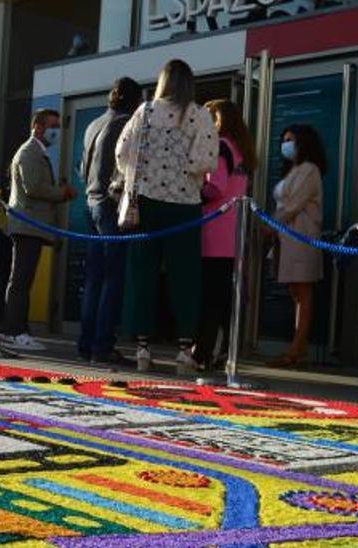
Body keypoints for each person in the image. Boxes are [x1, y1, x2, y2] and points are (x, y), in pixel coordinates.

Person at [115, 59, 218, 374]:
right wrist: (181, 172)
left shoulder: (144, 112)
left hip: (144, 203)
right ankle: (185, 348)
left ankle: (143, 347)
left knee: (142, 273)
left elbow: (122, 152)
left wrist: (143, 175)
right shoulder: (199, 115)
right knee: (185, 275)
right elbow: (206, 159)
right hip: (183, 204)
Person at [0, 109, 76, 351]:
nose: (56, 131)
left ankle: (19, 329)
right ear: (38, 126)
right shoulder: (29, 152)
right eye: (52, 125)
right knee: (21, 279)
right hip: (26, 224)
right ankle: (14, 331)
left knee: (24, 278)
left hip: (31, 224)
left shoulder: (36, 152)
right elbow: (33, 187)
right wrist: (61, 193)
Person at [78, 77, 139, 364]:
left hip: (89, 201)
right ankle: (103, 344)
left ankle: (86, 342)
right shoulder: (127, 123)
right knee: (112, 278)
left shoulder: (93, 124)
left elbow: (82, 169)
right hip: (110, 205)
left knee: (93, 278)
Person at [194, 99, 253, 370]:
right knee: (227, 300)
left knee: (209, 299)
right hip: (233, 235)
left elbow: (215, 188)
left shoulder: (220, 147)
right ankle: (228, 353)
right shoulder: (242, 151)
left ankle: (202, 353)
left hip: (213, 234)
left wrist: (191, 195)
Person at [268, 124, 326, 368]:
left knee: (303, 291)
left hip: (301, 237)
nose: (286, 144)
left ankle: (297, 347)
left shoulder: (309, 170)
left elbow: (294, 205)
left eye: (290, 139)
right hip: (286, 238)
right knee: (295, 291)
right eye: (284, 139)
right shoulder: (293, 170)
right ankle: (297, 344)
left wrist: (270, 225)